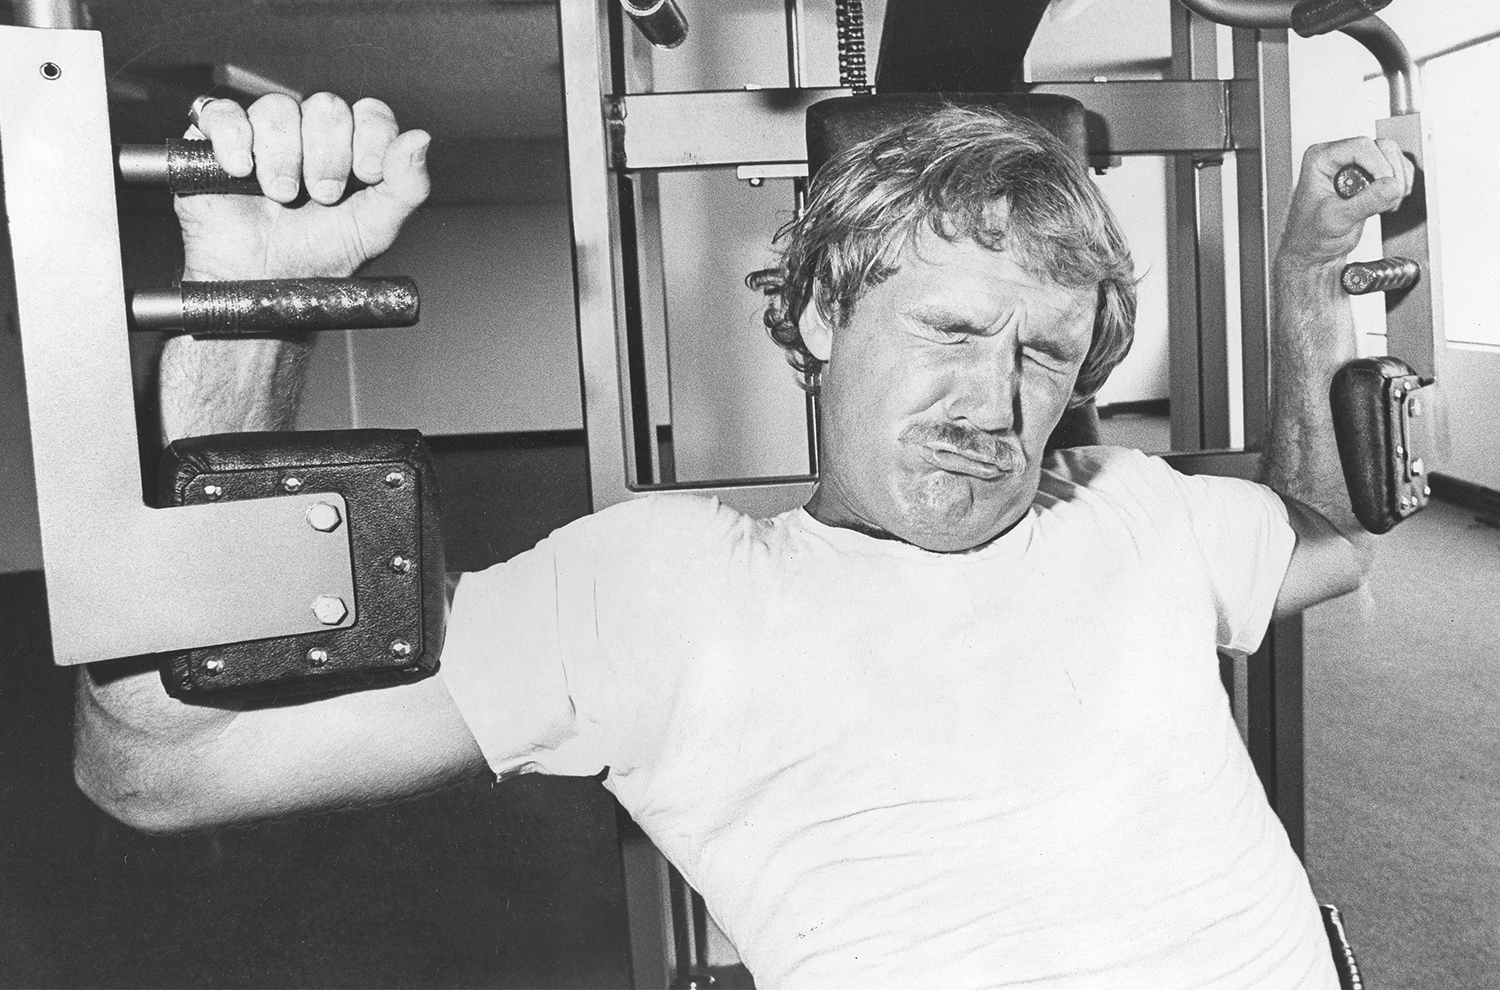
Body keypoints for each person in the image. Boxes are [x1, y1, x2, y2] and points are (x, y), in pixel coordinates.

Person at [74, 91, 1412, 989]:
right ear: (826, 310)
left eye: (1045, 356)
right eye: (950, 330)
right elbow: (165, 773)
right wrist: (249, 318)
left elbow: (1324, 537)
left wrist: (1305, 273)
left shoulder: (1134, 508)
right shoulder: (655, 589)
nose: (995, 405)